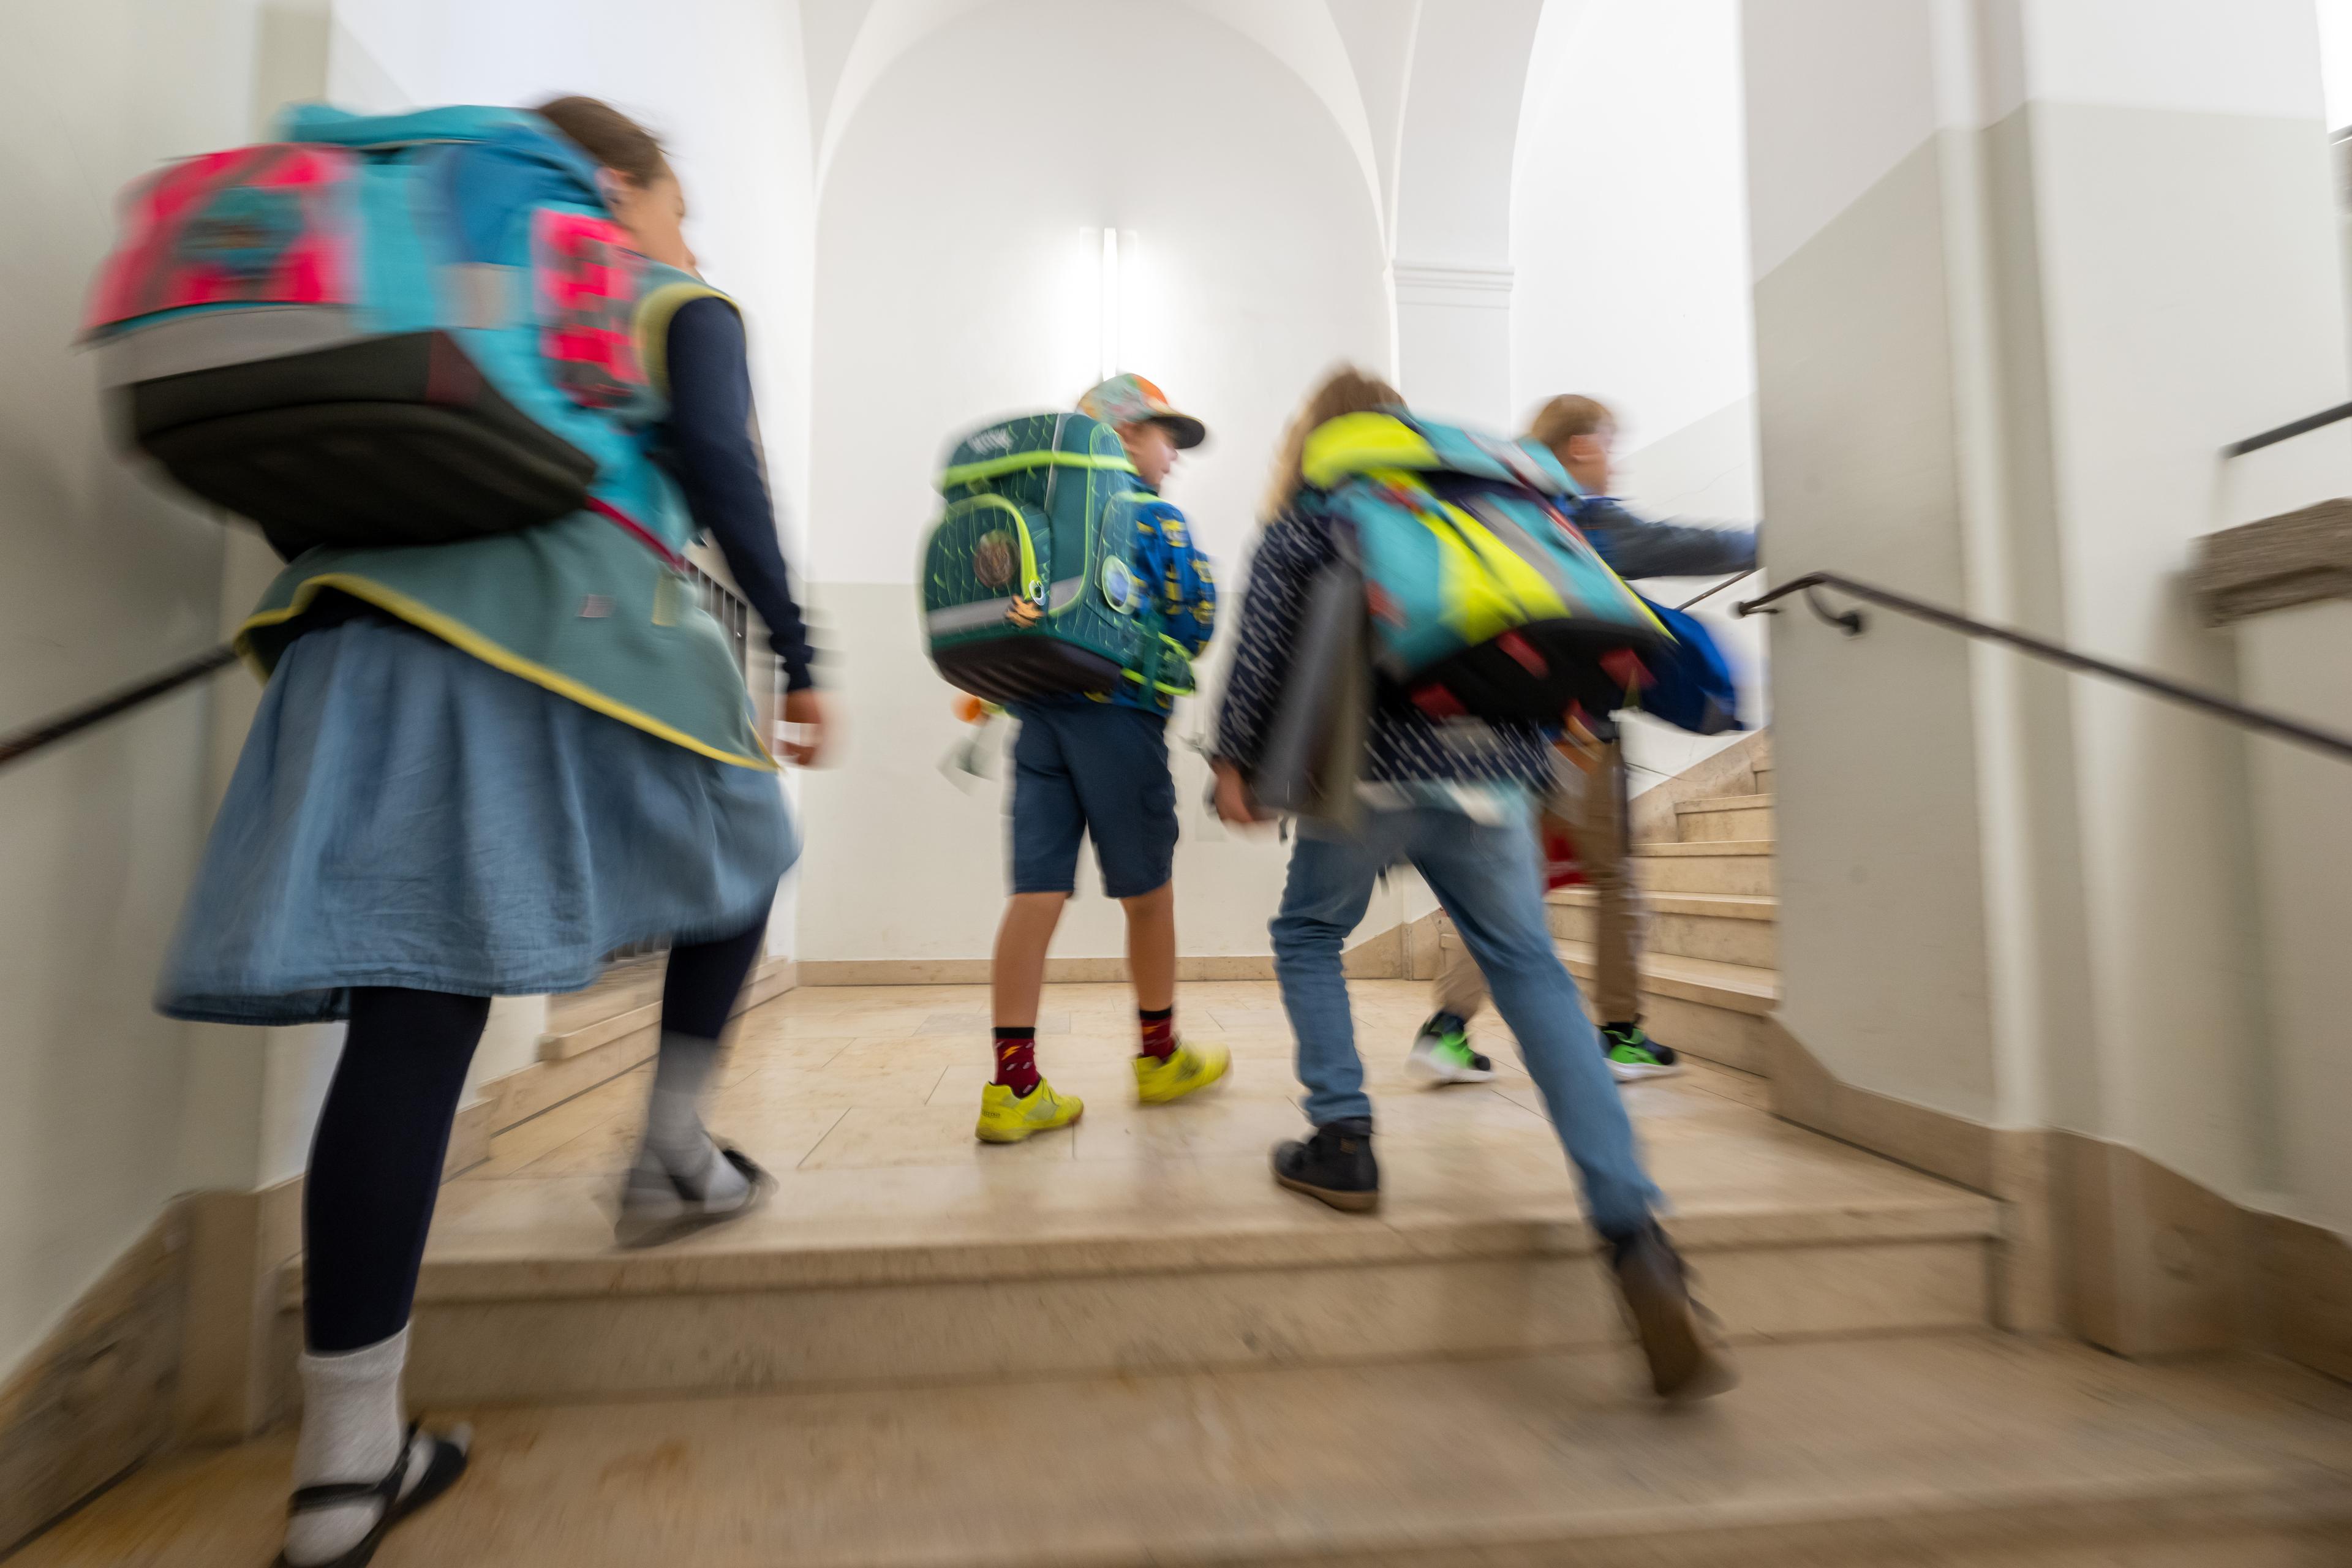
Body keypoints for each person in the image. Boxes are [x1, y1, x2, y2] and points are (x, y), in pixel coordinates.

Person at [154, 97, 825, 1567]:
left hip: (354, 643)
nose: (686, 235)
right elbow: (722, 467)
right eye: (677, 201)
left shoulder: (398, 263)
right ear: (618, 185)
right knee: (754, 848)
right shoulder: (665, 295)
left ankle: (345, 1466)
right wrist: (802, 644)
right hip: (567, 639)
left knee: (410, 1022)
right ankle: (670, 1149)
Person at [1210, 367, 1733, 1402]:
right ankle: (1635, 1233)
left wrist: (1237, 758)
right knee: (1532, 972)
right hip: (1498, 773)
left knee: (1309, 930)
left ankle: (1342, 1138)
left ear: (1319, 433)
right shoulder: (1482, 497)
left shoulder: (1324, 498)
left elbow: (1268, 628)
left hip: (1369, 768)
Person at [1410, 394, 1758, 1088]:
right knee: (1616, 880)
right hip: (1576, 737)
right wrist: (1770, 539)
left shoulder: (1501, 513)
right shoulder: (1582, 517)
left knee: (1514, 885)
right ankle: (1621, 1035)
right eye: (1608, 443)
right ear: (1578, 447)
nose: (1615, 460)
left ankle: (1446, 1027)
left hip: (1506, 735)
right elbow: (1682, 544)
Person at [977, 374, 1229, 1142]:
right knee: (1148, 893)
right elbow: (1197, 618)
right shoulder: (1153, 517)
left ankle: (1012, 1087)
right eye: (1165, 439)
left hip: (1038, 720)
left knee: (1035, 895)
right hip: (1120, 720)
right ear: (1124, 437)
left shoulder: (1042, 522)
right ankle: (1159, 1057)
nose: (1173, 459)